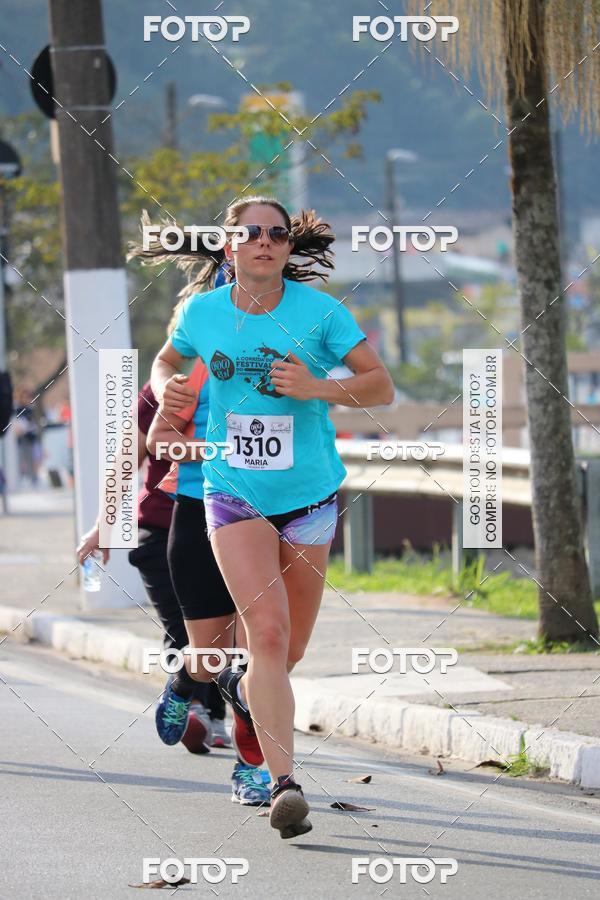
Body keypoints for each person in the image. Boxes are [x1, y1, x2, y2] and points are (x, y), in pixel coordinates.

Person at [144, 196, 394, 838]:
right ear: (230, 245)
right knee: (269, 637)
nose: (265, 241)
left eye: (277, 234)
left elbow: (380, 385)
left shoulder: (321, 314)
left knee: (287, 653)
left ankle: (235, 705)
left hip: (309, 497)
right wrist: (165, 381)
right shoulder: (203, 312)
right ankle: (283, 783)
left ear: (287, 247)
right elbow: (169, 358)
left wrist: (315, 387)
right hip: (232, 492)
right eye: (251, 233)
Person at [75, 378, 230, 755]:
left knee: (226, 636)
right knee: (185, 625)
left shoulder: (248, 376)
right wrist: (103, 525)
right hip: (165, 529)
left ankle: (215, 712)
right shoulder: (163, 388)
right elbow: (126, 460)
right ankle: (194, 707)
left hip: (232, 528)